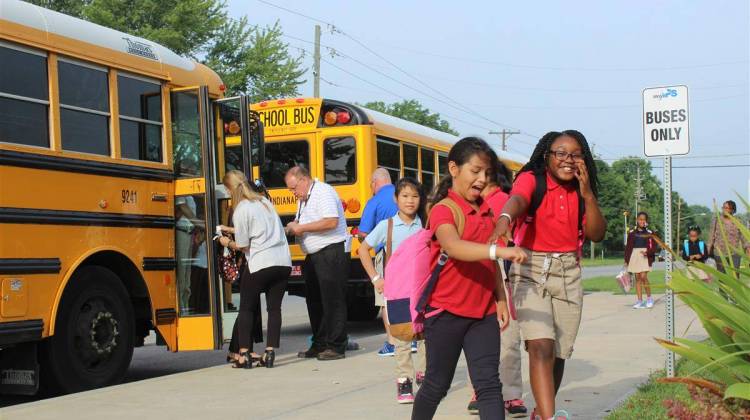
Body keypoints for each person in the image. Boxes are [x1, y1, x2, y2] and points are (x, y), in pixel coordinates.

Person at [490, 130, 606, 420]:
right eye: (561, 153)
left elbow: (597, 233)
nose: (568, 160)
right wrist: (505, 217)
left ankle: (543, 411)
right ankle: (549, 418)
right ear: (547, 156)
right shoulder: (533, 178)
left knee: (558, 352)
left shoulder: (581, 190)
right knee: (540, 345)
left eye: (576, 154)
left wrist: (588, 193)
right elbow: (518, 199)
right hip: (530, 267)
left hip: (568, 272)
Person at [411, 137, 526, 420]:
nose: (481, 179)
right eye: (475, 171)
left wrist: (499, 296)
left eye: (486, 173)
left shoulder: (487, 211)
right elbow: (453, 246)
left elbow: (489, 262)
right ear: (454, 168)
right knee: (436, 385)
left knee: (489, 386)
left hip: (483, 314)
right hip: (446, 312)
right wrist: (500, 250)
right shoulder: (443, 209)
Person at [465, 152, 528, 418]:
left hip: (498, 268)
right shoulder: (472, 203)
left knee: (504, 334)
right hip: (481, 266)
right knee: (489, 334)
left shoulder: (500, 201)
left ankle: (502, 393)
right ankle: (502, 393)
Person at [358, 177, 426, 404]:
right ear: (396, 199)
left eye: (415, 196)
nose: (410, 201)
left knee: (427, 336)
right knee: (402, 338)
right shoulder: (386, 225)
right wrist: (376, 278)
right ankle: (404, 381)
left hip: (424, 290)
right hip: (398, 292)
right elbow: (363, 249)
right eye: (405, 196)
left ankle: (425, 374)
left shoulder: (425, 225)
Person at [218, 170, 292, 368]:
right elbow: (262, 230)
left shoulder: (241, 209)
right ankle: (269, 353)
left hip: (261, 263)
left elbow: (243, 245)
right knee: (274, 309)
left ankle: (243, 355)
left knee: (246, 308)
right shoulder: (264, 202)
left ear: (230, 189)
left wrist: (226, 240)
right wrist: (232, 230)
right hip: (283, 262)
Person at [285, 166, 350, 361]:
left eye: (294, 188)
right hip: (314, 254)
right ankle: (320, 342)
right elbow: (303, 221)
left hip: (330, 251)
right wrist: (294, 224)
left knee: (332, 300)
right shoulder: (304, 199)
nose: (293, 193)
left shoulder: (323, 192)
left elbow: (331, 221)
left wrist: (302, 227)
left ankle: (336, 345)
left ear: (304, 180)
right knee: (314, 300)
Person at [358, 168, 399, 357]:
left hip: (387, 253)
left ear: (375, 183)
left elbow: (364, 233)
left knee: (386, 299)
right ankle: (412, 339)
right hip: (410, 253)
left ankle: (392, 342)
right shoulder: (405, 195)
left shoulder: (374, 201)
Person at [624, 212, 657, 309]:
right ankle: (639, 301)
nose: (642, 221)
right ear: (637, 220)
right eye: (640, 219)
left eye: (644, 219)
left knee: (643, 277)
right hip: (634, 256)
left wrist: (648, 252)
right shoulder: (632, 233)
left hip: (645, 257)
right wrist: (626, 260)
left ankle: (649, 298)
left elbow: (654, 246)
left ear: (646, 221)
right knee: (637, 278)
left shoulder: (650, 233)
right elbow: (628, 248)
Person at [708, 200, 750, 276]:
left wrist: (748, 249)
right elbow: (711, 237)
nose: (725, 210)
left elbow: (744, 238)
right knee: (722, 277)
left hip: (734, 253)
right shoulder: (716, 220)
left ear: (733, 210)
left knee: (735, 276)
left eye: (727, 208)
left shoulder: (738, 221)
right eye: (724, 207)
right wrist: (707, 252)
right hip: (719, 253)